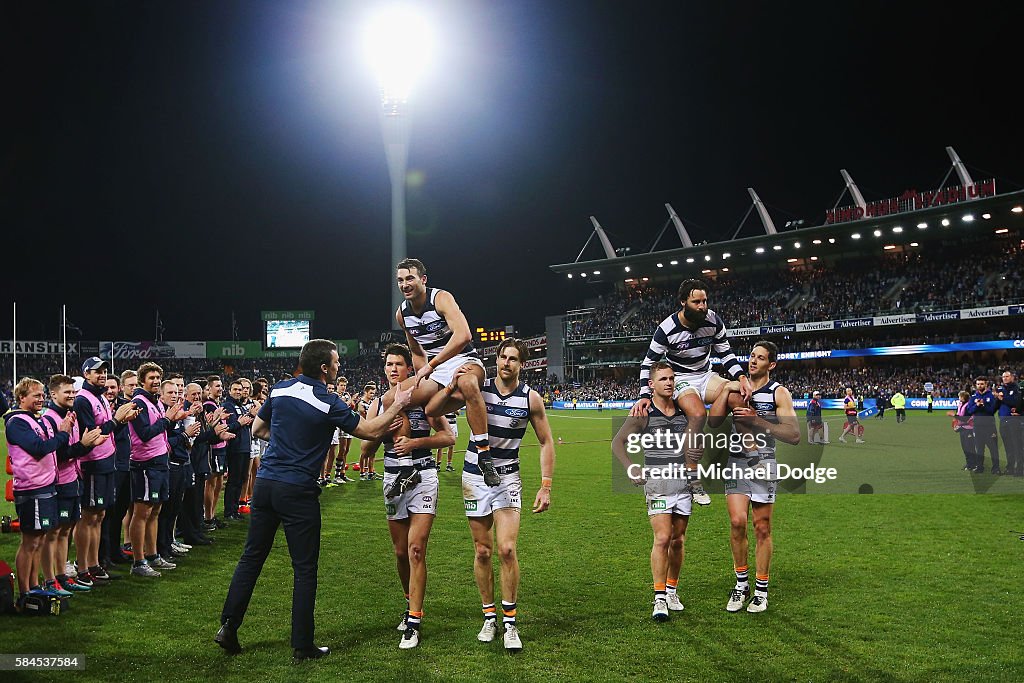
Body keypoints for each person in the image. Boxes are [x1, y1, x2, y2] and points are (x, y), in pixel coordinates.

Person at [216, 339, 415, 661]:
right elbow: (369, 430)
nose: (338, 365)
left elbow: (257, 428)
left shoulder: (279, 390)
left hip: (266, 484)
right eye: (335, 361)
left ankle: (228, 626)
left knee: (251, 558)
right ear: (324, 367)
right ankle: (302, 644)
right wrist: (398, 403)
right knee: (304, 568)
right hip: (297, 490)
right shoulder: (328, 401)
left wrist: (287, 441)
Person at [462, 338, 555, 652]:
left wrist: (546, 485)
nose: (506, 363)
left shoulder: (531, 399)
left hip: (507, 478)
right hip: (474, 475)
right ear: (496, 360)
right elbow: (436, 409)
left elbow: (546, 443)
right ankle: (489, 617)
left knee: (507, 549)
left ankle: (510, 623)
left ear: (522, 365)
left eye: (513, 359)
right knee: (483, 551)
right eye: (502, 357)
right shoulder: (477, 390)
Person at [360, 344, 455, 649]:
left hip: (424, 477)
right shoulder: (377, 405)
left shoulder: (425, 401)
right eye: (388, 364)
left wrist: (416, 442)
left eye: (399, 364)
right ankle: (408, 602)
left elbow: (449, 437)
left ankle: (414, 620)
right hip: (392, 480)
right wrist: (385, 426)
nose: (393, 369)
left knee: (416, 549)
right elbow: (365, 452)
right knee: (401, 552)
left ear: (409, 370)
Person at [380, 258, 502, 488]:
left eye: (410, 278)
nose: (404, 284)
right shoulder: (402, 314)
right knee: (391, 399)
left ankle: (484, 455)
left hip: (465, 358)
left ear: (423, 280)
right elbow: (416, 350)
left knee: (467, 384)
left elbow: (464, 335)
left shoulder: (441, 298)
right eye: (400, 280)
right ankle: (407, 467)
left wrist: (432, 364)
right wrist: (420, 377)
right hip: (436, 370)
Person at [630, 279, 751, 506]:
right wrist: (644, 395)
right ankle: (694, 482)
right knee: (696, 414)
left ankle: (751, 462)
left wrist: (742, 378)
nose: (703, 306)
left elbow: (726, 354)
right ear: (683, 302)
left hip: (706, 375)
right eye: (697, 302)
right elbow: (648, 363)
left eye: (705, 301)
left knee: (738, 399)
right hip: (681, 378)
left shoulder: (713, 320)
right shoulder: (666, 329)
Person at [710, 340, 800, 614]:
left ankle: (761, 590)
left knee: (762, 528)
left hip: (764, 464)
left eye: (760, 358)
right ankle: (741, 584)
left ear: (771, 364)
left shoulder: (778, 393)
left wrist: (758, 420)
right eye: (751, 356)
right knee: (738, 522)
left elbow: (794, 435)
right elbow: (713, 423)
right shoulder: (737, 387)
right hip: (737, 462)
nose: (753, 361)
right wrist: (726, 389)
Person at [612, 362, 690, 622]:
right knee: (663, 537)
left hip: (683, 483)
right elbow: (618, 443)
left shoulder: (684, 410)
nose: (669, 382)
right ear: (651, 385)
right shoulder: (643, 412)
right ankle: (659, 598)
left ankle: (671, 590)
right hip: (657, 483)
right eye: (663, 379)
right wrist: (631, 468)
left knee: (678, 540)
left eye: (672, 378)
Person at [4, 378, 74, 609]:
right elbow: (39, 448)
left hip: (46, 486)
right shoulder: (16, 422)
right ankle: (24, 593)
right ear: (21, 398)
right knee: (30, 542)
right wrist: (63, 433)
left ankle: (34, 586)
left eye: (42, 394)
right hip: (31, 488)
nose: (41, 398)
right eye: (35, 395)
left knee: (40, 539)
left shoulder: (37, 419)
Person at [72, 357, 142, 586]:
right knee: (89, 517)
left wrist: (121, 421)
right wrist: (116, 419)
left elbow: (107, 430)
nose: (102, 374)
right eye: (96, 371)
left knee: (98, 516)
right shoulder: (83, 399)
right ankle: (83, 567)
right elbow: (93, 434)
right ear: (86, 374)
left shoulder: (98, 396)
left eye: (104, 370)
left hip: (105, 462)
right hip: (92, 463)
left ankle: (94, 564)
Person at [42, 374, 107, 595]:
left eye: (73, 392)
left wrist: (88, 445)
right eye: (67, 392)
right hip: (59, 481)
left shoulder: (71, 415)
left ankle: (62, 576)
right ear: (53, 394)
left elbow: (75, 450)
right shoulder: (50, 419)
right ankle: (51, 581)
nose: (71, 395)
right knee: (54, 533)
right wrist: (84, 445)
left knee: (65, 530)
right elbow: (60, 454)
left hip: (72, 478)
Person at [127, 362, 194, 577]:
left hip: (159, 462)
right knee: (142, 512)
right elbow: (145, 433)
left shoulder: (152, 401)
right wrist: (167, 420)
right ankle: (138, 561)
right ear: (141, 381)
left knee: (155, 511)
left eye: (158, 377)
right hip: (145, 464)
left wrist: (170, 420)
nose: (155, 381)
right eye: (151, 378)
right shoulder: (139, 402)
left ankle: (153, 555)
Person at [222, 379, 256, 518]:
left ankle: (235, 509)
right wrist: (241, 421)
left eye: (239, 390)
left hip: (244, 446)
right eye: (235, 389)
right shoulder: (228, 406)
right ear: (229, 391)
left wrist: (249, 418)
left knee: (240, 479)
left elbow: (244, 423)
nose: (238, 392)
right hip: (235, 448)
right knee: (234, 480)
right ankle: (229, 511)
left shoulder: (239, 406)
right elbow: (230, 426)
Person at [970, 377, 1000, 474]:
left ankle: (996, 468)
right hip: (977, 426)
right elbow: (969, 411)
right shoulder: (974, 396)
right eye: (978, 384)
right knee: (979, 448)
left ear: (986, 384)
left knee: (993, 449)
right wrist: (976, 406)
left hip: (989, 426)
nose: (980, 386)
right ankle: (979, 467)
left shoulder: (991, 396)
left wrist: (983, 405)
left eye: (982, 384)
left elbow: (992, 410)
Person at [995, 371, 1021, 477]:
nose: (1005, 378)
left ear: (1012, 377)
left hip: (1014, 421)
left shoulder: (1016, 388)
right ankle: (1010, 467)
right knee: (1008, 446)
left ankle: (1019, 469)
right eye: (1003, 377)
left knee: (1017, 446)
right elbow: (996, 406)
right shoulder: (1000, 389)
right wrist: (996, 398)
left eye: (1007, 376)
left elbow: (1016, 402)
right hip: (1003, 421)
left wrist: (1002, 398)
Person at [948, 391, 978, 471]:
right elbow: (958, 416)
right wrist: (955, 425)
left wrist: (954, 415)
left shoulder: (968, 406)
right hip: (962, 428)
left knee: (970, 448)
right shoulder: (960, 405)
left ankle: (975, 464)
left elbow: (965, 419)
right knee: (965, 448)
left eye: (960, 396)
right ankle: (969, 464)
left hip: (969, 429)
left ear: (964, 397)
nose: (959, 398)